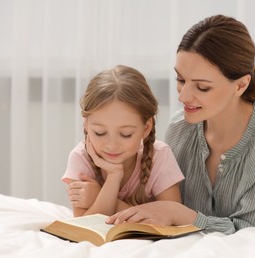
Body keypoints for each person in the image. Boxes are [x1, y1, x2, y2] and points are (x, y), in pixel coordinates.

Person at [106, 14, 255, 234]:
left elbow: (252, 232)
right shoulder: (179, 129)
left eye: (202, 87)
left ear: (240, 85)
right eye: (180, 80)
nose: (183, 96)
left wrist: (181, 215)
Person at [63, 65, 184, 217]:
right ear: (86, 125)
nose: (112, 145)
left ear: (146, 128)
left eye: (126, 134)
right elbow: (84, 227)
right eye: (100, 133)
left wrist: (101, 195)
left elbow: (173, 220)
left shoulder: (160, 156)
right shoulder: (80, 157)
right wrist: (114, 177)